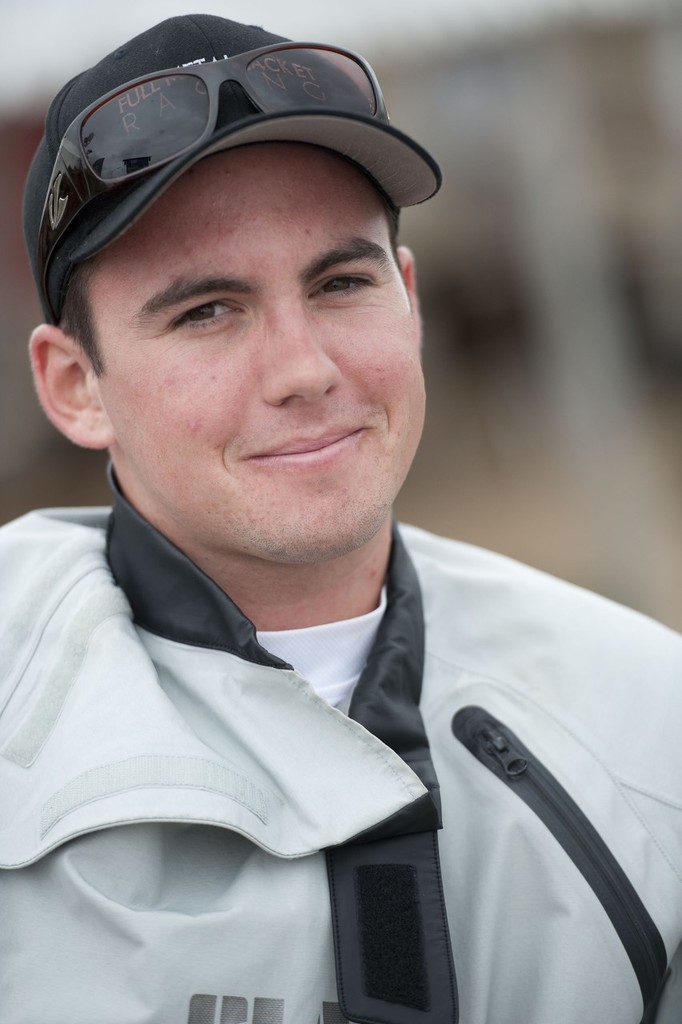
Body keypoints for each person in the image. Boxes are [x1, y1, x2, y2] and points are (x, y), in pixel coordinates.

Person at [2, 11, 681, 1024]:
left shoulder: (648, 719)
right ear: (75, 385)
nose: (304, 370)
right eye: (206, 312)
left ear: (407, 300)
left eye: (341, 282)